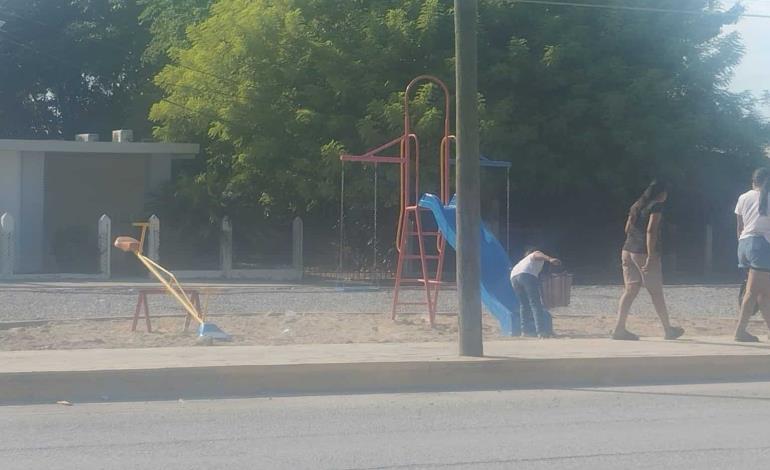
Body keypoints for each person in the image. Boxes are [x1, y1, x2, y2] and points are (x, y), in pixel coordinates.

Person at [612, 180, 684, 341]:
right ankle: (668, 329)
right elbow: (651, 230)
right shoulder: (656, 206)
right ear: (662, 193)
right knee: (656, 292)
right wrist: (651, 255)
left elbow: (627, 229)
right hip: (643, 252)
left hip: (627, 249)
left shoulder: (636, 205)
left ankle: (619, 328)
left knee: (630, 290)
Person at [734, 168, 770, 342]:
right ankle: (740, 331)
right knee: (753, 292)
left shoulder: (743, 197)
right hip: (761, 245)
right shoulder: (767, 197)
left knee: (765, 292)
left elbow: (739, 226)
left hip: (744, 244)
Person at [510, 248, 560, 338]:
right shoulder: (535, 254)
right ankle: (541, 331)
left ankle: (525, 331)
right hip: (526, 276)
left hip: (513, 277)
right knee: (535, 304)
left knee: (524, 305)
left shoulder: (523, 262)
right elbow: (537, 254)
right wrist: (550, 259)